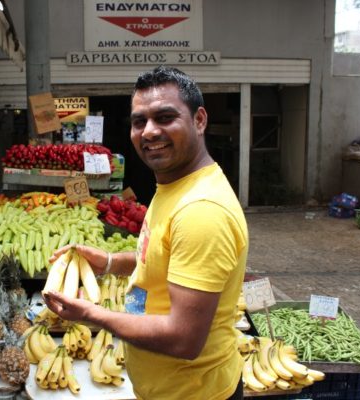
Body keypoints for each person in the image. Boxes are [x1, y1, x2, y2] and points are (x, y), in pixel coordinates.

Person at [43, 66, 248, 400]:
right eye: (140, 121)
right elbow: (157, 257)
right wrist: (108, 262)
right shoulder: (174, 186)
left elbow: (184, 339)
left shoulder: (202, 210)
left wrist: (91, 314)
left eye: (165, 117)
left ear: (199, 120)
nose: (149, 131)